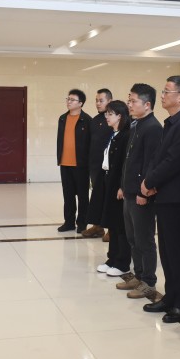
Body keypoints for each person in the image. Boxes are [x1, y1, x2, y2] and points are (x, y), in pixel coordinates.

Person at [142, 76, 180, 324]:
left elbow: (174, 161)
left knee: (178, 253)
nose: (163, 95)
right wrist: (150, 180)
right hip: (165, 195)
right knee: (167, 252)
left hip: (177, 198)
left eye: (167, 91)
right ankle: (171, 297)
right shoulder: (172, 122)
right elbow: (159, 157)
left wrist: (150, 182)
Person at [118, 83, 162, 299]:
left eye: (133, 101)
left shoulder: (153, 128)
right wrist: (123, 185)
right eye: (129, 100)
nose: (130, 104)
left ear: (147, 104)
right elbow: (130, 161)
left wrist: (143, 193)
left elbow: (150, 164)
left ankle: (149, 282)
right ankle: (138, 274)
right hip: (129, 191)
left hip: (141, 194)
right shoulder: (136, 124)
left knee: (145, 240)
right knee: (132, 238)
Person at [95, 100, 131, 276]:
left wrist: (122, 186)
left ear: (120, 116)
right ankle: (112, 258)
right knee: (112, 224)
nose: (107, 117)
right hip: (109, 181)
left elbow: (125, 164)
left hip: (118, 185)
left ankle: (122, 262)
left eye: (110, 114)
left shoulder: (125, 135)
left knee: (120, 225)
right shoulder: (114, 134)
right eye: (106, 114)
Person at [56, 89, 92, 232]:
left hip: (81, 165)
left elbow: (90, 143)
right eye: (68, 99)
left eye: (72, 100)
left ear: (80, 103)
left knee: (83, 196)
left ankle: (82, 223)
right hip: (64, 163)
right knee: (68, 195)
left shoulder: (87, 120)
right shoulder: (62, 118)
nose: (69, 102)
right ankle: (69, 222)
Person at [83, 89, 114, 238]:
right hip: (95, 166)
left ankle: (112, 229)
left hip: (109, 167)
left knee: (110, 198)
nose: (98, 103)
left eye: (101, 100)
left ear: (109, 101)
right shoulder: (94, 120)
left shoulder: (114, 119)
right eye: (96, 100)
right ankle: (98, 226)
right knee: (97, 197)